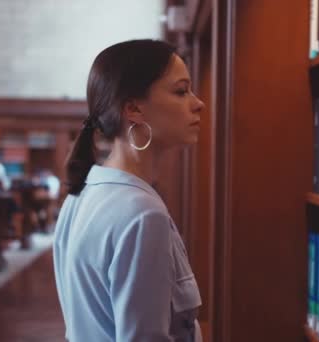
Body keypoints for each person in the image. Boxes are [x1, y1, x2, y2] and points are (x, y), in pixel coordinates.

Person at [53, 39, 205, 342]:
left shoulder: (84, 192)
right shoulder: (143, 214)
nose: (198, 102)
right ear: (134, 108)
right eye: (180, 91)